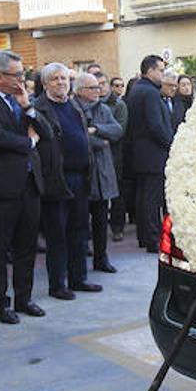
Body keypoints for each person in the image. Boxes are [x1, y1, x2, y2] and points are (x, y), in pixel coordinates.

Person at [0, 51, 53, 323]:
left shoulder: (22, 102)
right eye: (16, 74)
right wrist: (28, 143)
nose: (21, 79)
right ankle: (0, 303)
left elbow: (47, 133)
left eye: (22, 74)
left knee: (26, 246)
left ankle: (24, 298)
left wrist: (28, 107)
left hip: (29, 185)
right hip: (0, 188)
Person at [33, 64, 102, 298]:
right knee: (57, 235)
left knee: (79, 231)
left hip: (80, 177)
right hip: (56, 180)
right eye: (55, 79)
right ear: (45, 84)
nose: (61, 82)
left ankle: (78, 278)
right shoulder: (39, 108)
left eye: (64, 78)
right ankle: (57, 284)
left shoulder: (74, 106)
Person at [125, 54, 173, 252]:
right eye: (160, 70)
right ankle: (153, 239)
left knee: (144, 197)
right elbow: (155, 125)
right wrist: (171, 144)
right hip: (153, 153)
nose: (163, 74)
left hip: (142, 153)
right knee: (151, 200)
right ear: (150, 71)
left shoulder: (138, 89)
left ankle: (145, 237)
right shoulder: (151, 93)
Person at [76, 71, 123, 274]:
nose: (98, 91)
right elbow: (78, 138)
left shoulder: (103, 109)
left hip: (103, 173)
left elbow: (117, 130)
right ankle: (78, 263)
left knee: (101, 220)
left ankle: (101, 258)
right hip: (83, 173)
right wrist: (99, 141)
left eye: (98, 87)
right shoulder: (73, 108)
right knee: (79, 223)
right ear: (79, 91)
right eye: (92, 88)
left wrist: (95, 129)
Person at [105, 76, 129, 242]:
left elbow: (118, 130)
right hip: (97, 154)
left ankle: (117, 227)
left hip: (115, 154)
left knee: (117, 194)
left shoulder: (119, 105)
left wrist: (97, 132)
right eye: (116, 85)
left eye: (121, 85)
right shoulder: (90, 105)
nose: (118, 88)